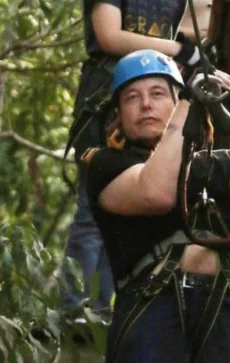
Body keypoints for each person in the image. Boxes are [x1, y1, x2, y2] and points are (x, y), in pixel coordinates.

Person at [85, 49, 230, 363]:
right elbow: (156, 193)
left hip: (224, 306)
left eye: (158, 93)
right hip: (151, 308)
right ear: (118, 113)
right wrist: (188, 104)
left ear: (174, 101)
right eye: (133, 97)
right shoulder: (108, 166)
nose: (146, 104)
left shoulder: (221, 163)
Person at [62, 0, 212, 315]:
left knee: (140, 206)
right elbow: (109, 35)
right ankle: (77, 311)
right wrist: (178, 50)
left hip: (155, 111)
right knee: (92, 213)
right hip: (107, 104)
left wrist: (195, 53)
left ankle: (105, 310)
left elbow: (193, 25)